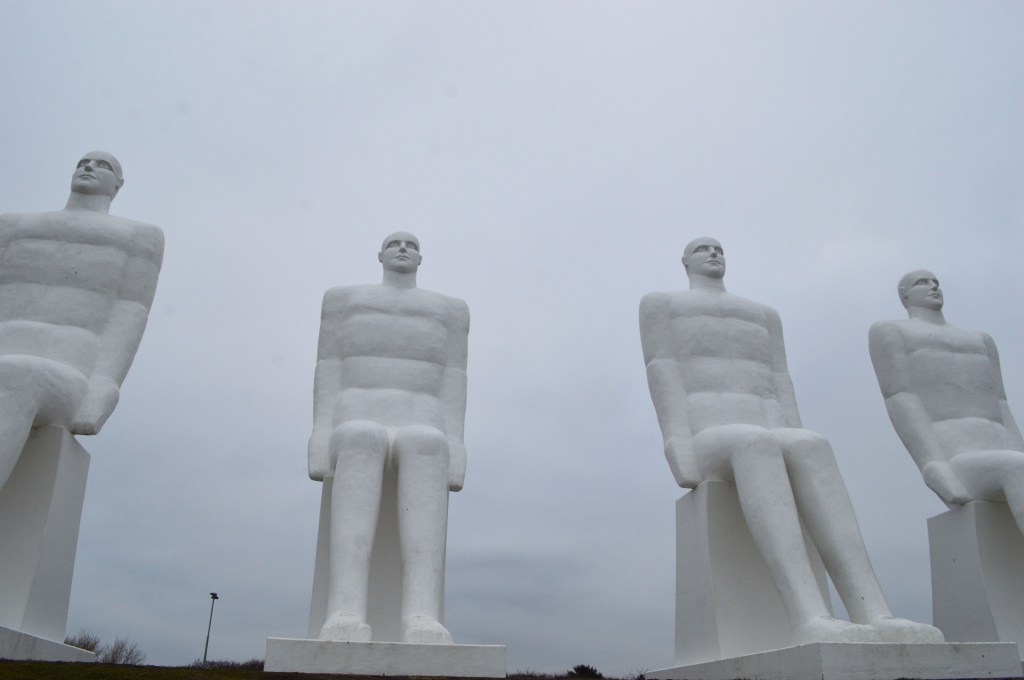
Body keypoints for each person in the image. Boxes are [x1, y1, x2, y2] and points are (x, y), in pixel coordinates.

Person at [639, 237, 941, 645]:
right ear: (685, 261)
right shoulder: (661, 305)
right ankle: (807, 613)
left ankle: (874, 611)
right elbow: (663, 370)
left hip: (764, 429)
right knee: (753, 443)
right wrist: (676, 443)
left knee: (812, 444)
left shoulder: (763, 314)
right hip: (710, 436)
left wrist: (795, 437)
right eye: (703, 249)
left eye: (720, 248)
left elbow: (780, 380)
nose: (714, 253)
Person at [308, 232, 469, 644]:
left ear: (421, 257)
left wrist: (459, 444)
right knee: (362, 438)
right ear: (379, 254)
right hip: (355, 414)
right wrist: (319, 433)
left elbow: (454, 378)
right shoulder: (344, 300)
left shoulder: (450, 310)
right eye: (395, 243)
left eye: (411, 244)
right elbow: (328, 365)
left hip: (424, 418)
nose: (403, 248)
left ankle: (422, 614)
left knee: (427, 444)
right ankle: (344, 610)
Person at [0, 151, 163, 493]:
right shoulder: (12, 226)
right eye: (82, 162)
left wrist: (104, 384)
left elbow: (130, 311)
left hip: (66, 373)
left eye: (102, 165)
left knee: (15, 374)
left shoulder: (137, 237)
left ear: (117, 185)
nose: (88, 167)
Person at [869, 270, 1024, 535]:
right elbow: (900, 398)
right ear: (904, 294)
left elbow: (1001, 404)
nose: (933, 286)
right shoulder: (890, 331)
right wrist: (932, 465)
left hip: (1005, 450)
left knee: (1016, 464)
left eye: (936, 282)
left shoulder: (982, 340)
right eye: (922, 282)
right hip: (959, 456)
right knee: (1016, 466)